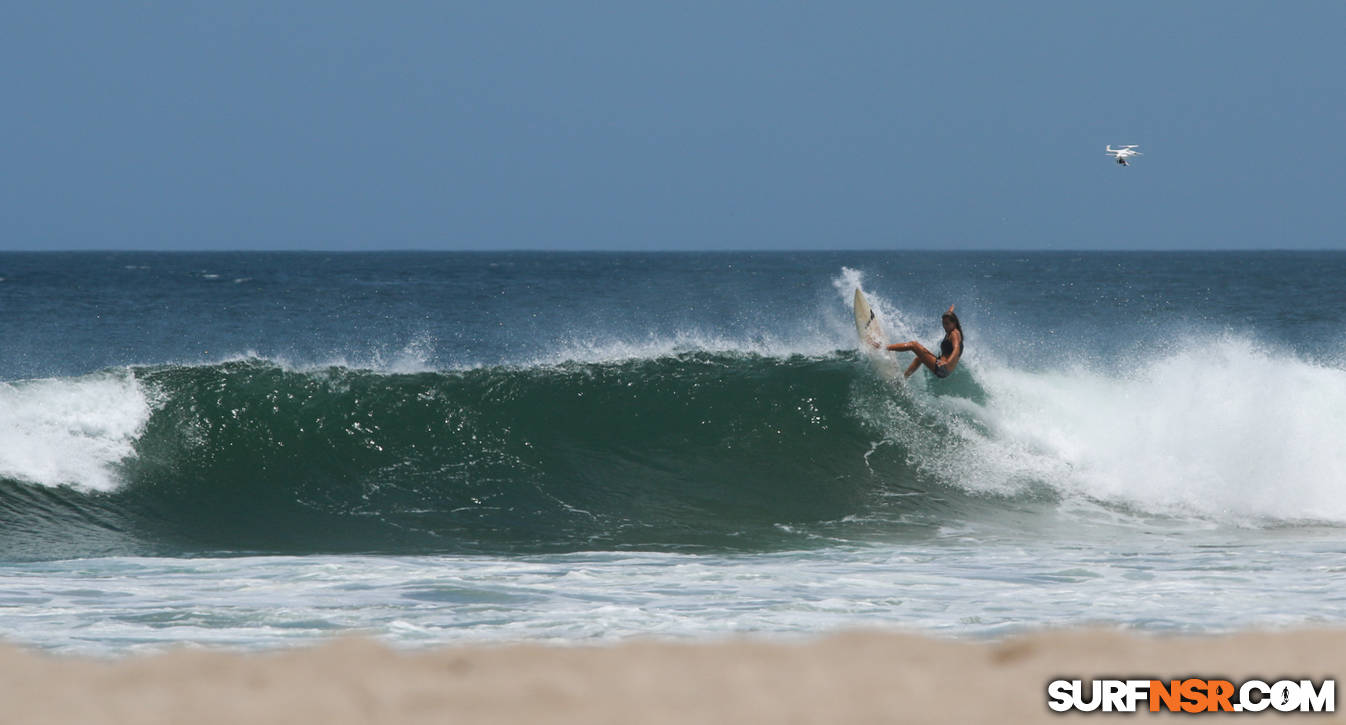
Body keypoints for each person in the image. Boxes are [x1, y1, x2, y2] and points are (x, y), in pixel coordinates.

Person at [881, 304, 963, 380]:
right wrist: (951, 309)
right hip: (943, 367)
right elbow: (950, 316)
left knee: (914, 345)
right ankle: (903, 378)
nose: (944, 326)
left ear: (954, 323)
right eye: (943, 323)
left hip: (942, 368)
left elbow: (956, 348)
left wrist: (947, 362)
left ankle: (885, 347)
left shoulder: (954, 334)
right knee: (919, 358)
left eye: (947, 324)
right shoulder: (952, 328)